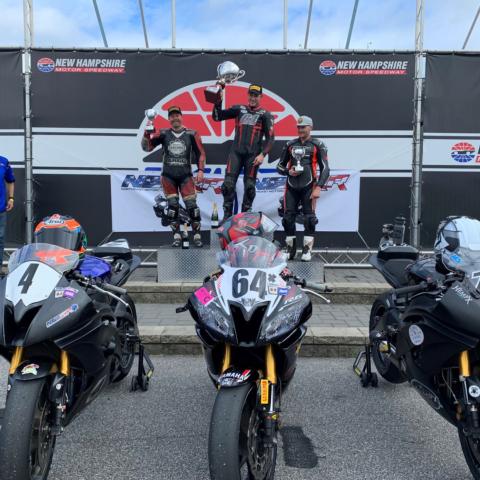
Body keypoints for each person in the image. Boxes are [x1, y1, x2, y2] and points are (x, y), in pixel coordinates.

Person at [141, 106, 206, 247]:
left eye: (177, 115)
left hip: (186, 177)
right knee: (172, 207)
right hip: (168, 177)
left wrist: (201, 170)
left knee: (192, 207)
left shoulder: (191, 134)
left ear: (181, 117)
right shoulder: (163, 133)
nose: (175, 118)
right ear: (169, 119)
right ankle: (176, 237)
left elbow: (200, 153)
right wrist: (147, 131)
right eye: (172, 116)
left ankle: (197, 236)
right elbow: (147, 147)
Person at [212, 84, 275, 220]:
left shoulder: (266, 114)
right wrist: (218, 101)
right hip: (236, 153)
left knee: (250, 188)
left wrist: (262, 154)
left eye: (255, 95)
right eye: (251, 95)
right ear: (248, 95)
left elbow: (271, 139)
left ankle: (245, 218)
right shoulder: (239, 109)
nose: (252, 98)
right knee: (227, 186)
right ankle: (227, 218)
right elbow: (217, 117)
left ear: (261, 97)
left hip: (253, 156)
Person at [277, 115, 330, 262]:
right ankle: (290, 250)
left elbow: (325, 169)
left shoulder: (318, 144)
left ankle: (307, 250)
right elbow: (279, 166)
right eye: (298, 127)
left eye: (303, 127)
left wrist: (318, 187)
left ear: (310, 128)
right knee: (287, 218)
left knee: (309, 219)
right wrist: (289, 172)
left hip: (309, 186)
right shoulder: (290, 144)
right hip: (291, 186)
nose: (300, 129)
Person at [0, 156, 15, 268]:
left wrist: (11, 198)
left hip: (0, 209)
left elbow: (10, 180)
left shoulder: (4, 161)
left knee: (0, 240)